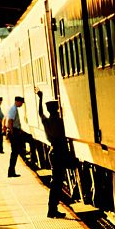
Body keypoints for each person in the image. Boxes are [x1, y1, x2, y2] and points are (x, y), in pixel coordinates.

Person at [35, 87, 69, 219]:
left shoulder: (47, 121)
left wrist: (40, 98)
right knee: (57, 183)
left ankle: (52, 209)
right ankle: (52, 210)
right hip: (60, 152)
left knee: (56, 182)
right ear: (57, 109)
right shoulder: (60, 122)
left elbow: (40, 113)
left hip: (53, 152)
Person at [6, 96, 35, 177]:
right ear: (18, 101)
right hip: (14, 132)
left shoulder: (13, 108)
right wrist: (12, 133)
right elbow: (10, 121)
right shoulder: (13, 109)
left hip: (16, 131)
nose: (22, 104)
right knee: (14, 152)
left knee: (15, 152)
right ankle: (11, 172)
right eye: (21, 103)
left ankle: (11, 171)